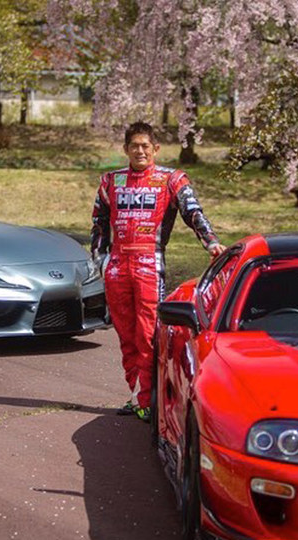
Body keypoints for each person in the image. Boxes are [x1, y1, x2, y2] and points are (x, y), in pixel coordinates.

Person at [91, 121, 226, 421]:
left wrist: (211, 242)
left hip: (149, 264)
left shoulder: (171, 179)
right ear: (125, 149)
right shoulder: (110, 181)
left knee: (148, 334)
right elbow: (98, 222)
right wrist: (99, 259)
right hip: (116, 266)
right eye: (134, 146)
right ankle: (137, 395)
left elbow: (193, 212)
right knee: (125, 334)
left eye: (145, 146)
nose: (140, 151)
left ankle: (149, 401)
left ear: (156, 149)